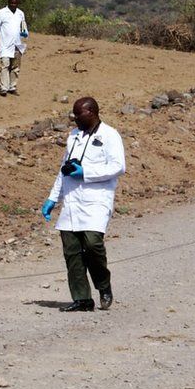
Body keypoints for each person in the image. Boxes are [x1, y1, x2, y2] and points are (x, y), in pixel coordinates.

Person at [41, 97, 125, 312]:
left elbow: (117, 167)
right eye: (74, 114)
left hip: (96, 200)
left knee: (92, 245)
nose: (75, 118)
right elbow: (64, 169)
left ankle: (104, 287)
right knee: (72, 251)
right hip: (71, 202)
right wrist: (53, 198)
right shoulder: (74, 136)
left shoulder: (109, 135)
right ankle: (82, 299)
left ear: (92, 112)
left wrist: (86, 173)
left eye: (79, 114)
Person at [0, 0, 28, 96]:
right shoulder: (1, 13)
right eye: (11, 3)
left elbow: (23, 26)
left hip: (17, 44)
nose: (13, 5)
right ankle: (4, 87)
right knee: (5, 65)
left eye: (15, 3)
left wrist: (25, 32)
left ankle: (12, 86)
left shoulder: (20, 13)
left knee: (15, 67)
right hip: (5, 45)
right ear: (8, 3)